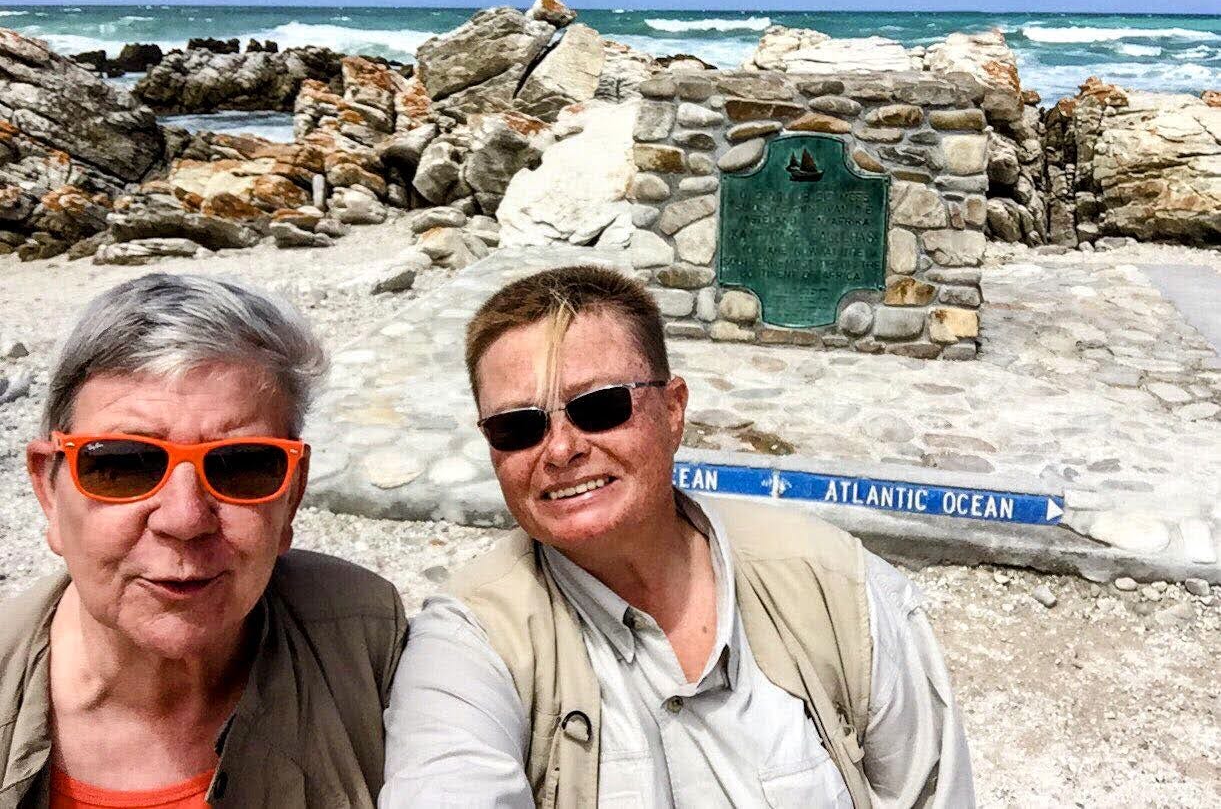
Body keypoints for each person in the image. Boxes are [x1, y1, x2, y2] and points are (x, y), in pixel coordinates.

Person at [382, 264, 974, 808]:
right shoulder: (470, 644)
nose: (561, 449)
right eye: (519, 426)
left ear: (673, 410)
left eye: (600, 406)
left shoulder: (837, 591)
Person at [1, 274, 407, 809]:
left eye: (242, 466)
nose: (186, 518)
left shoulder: (365, 641)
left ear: (293, 496)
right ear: (49, 490)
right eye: (123, 465)